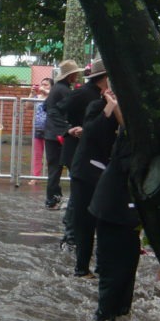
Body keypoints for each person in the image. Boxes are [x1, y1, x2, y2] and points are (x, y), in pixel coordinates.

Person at [91, 121, 142, 321]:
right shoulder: (135, 130)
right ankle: (104, 317)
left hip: (127, 210)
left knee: (128, 264)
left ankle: (120, 314)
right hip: (114, 206)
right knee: (113, 267)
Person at [69, 83, 121, 278]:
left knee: (105, 221)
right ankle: (81, 268)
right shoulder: (96, 107)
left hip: (109, 173)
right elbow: (91, 131)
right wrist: (109, 106)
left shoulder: (124, 113)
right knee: (85, 222)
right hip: (86, 173)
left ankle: (102, 266)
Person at [57, 58, 111, 244]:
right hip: (77, 152)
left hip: (96, 153)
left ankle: (76, 229)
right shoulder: (83, 94)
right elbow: (54, 109)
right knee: (78, 195)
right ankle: (70, 236)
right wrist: (68, 130)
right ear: (105, 78)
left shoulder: (106, 96)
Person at [42, 60, 82, 210]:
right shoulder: (64, 90)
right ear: (70, 75)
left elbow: (46, 107)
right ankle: (55, 200)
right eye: (75, 73)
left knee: (55, 168)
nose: (77, 75)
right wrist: (67, 127)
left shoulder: (56, 89)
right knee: (71, 167)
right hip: (59, 135)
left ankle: (53, 199)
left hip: (51, 133)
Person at [29, 77, 52, 182]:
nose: (43, 86)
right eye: (42, 84)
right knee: (37, 155)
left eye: (46, 84)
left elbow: (54, 100)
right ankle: (35, 177)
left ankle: (51, 177)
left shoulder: (53, 97)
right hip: (38, 129)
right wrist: (32, 93)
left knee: (50, 156)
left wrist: (46, 92)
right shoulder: (38, 97)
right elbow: (28, 106)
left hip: (50, 130)